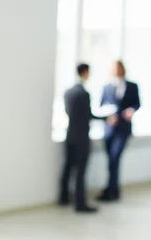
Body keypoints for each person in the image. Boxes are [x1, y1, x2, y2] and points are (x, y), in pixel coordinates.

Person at [59, 63, 115, 213]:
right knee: (80, 171)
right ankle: (80, 203)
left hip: (70, 134)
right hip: (82, 137)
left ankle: (63, 198)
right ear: (85, 72)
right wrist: (106, 118)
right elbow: (88, 115)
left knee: (68, 166)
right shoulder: (83, 93)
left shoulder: (68, 92)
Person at [96, 60, 141, 202]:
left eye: (118, 68)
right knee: (110, 161)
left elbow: (137, 103)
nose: (116, 70)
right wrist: (108, 116)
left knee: (115, 159)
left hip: (123, 128)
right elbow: (102, 105)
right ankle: (112, 190)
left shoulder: (132, 86)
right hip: (109, 129)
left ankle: (112, 191)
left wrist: (131, 110)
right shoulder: (106, 87)